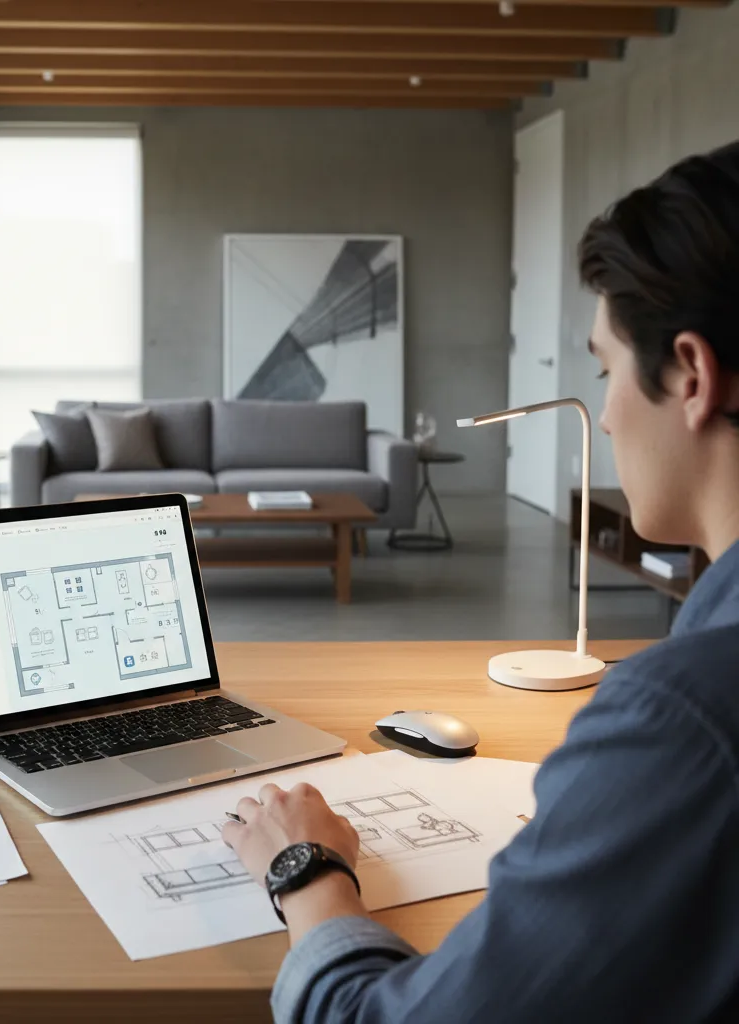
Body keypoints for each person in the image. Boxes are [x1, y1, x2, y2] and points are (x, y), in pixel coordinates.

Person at [221, 140, 739, 1024]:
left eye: (606, 369)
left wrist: (305, 870)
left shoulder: (680, 718)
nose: (605, 412)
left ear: (690, 374)